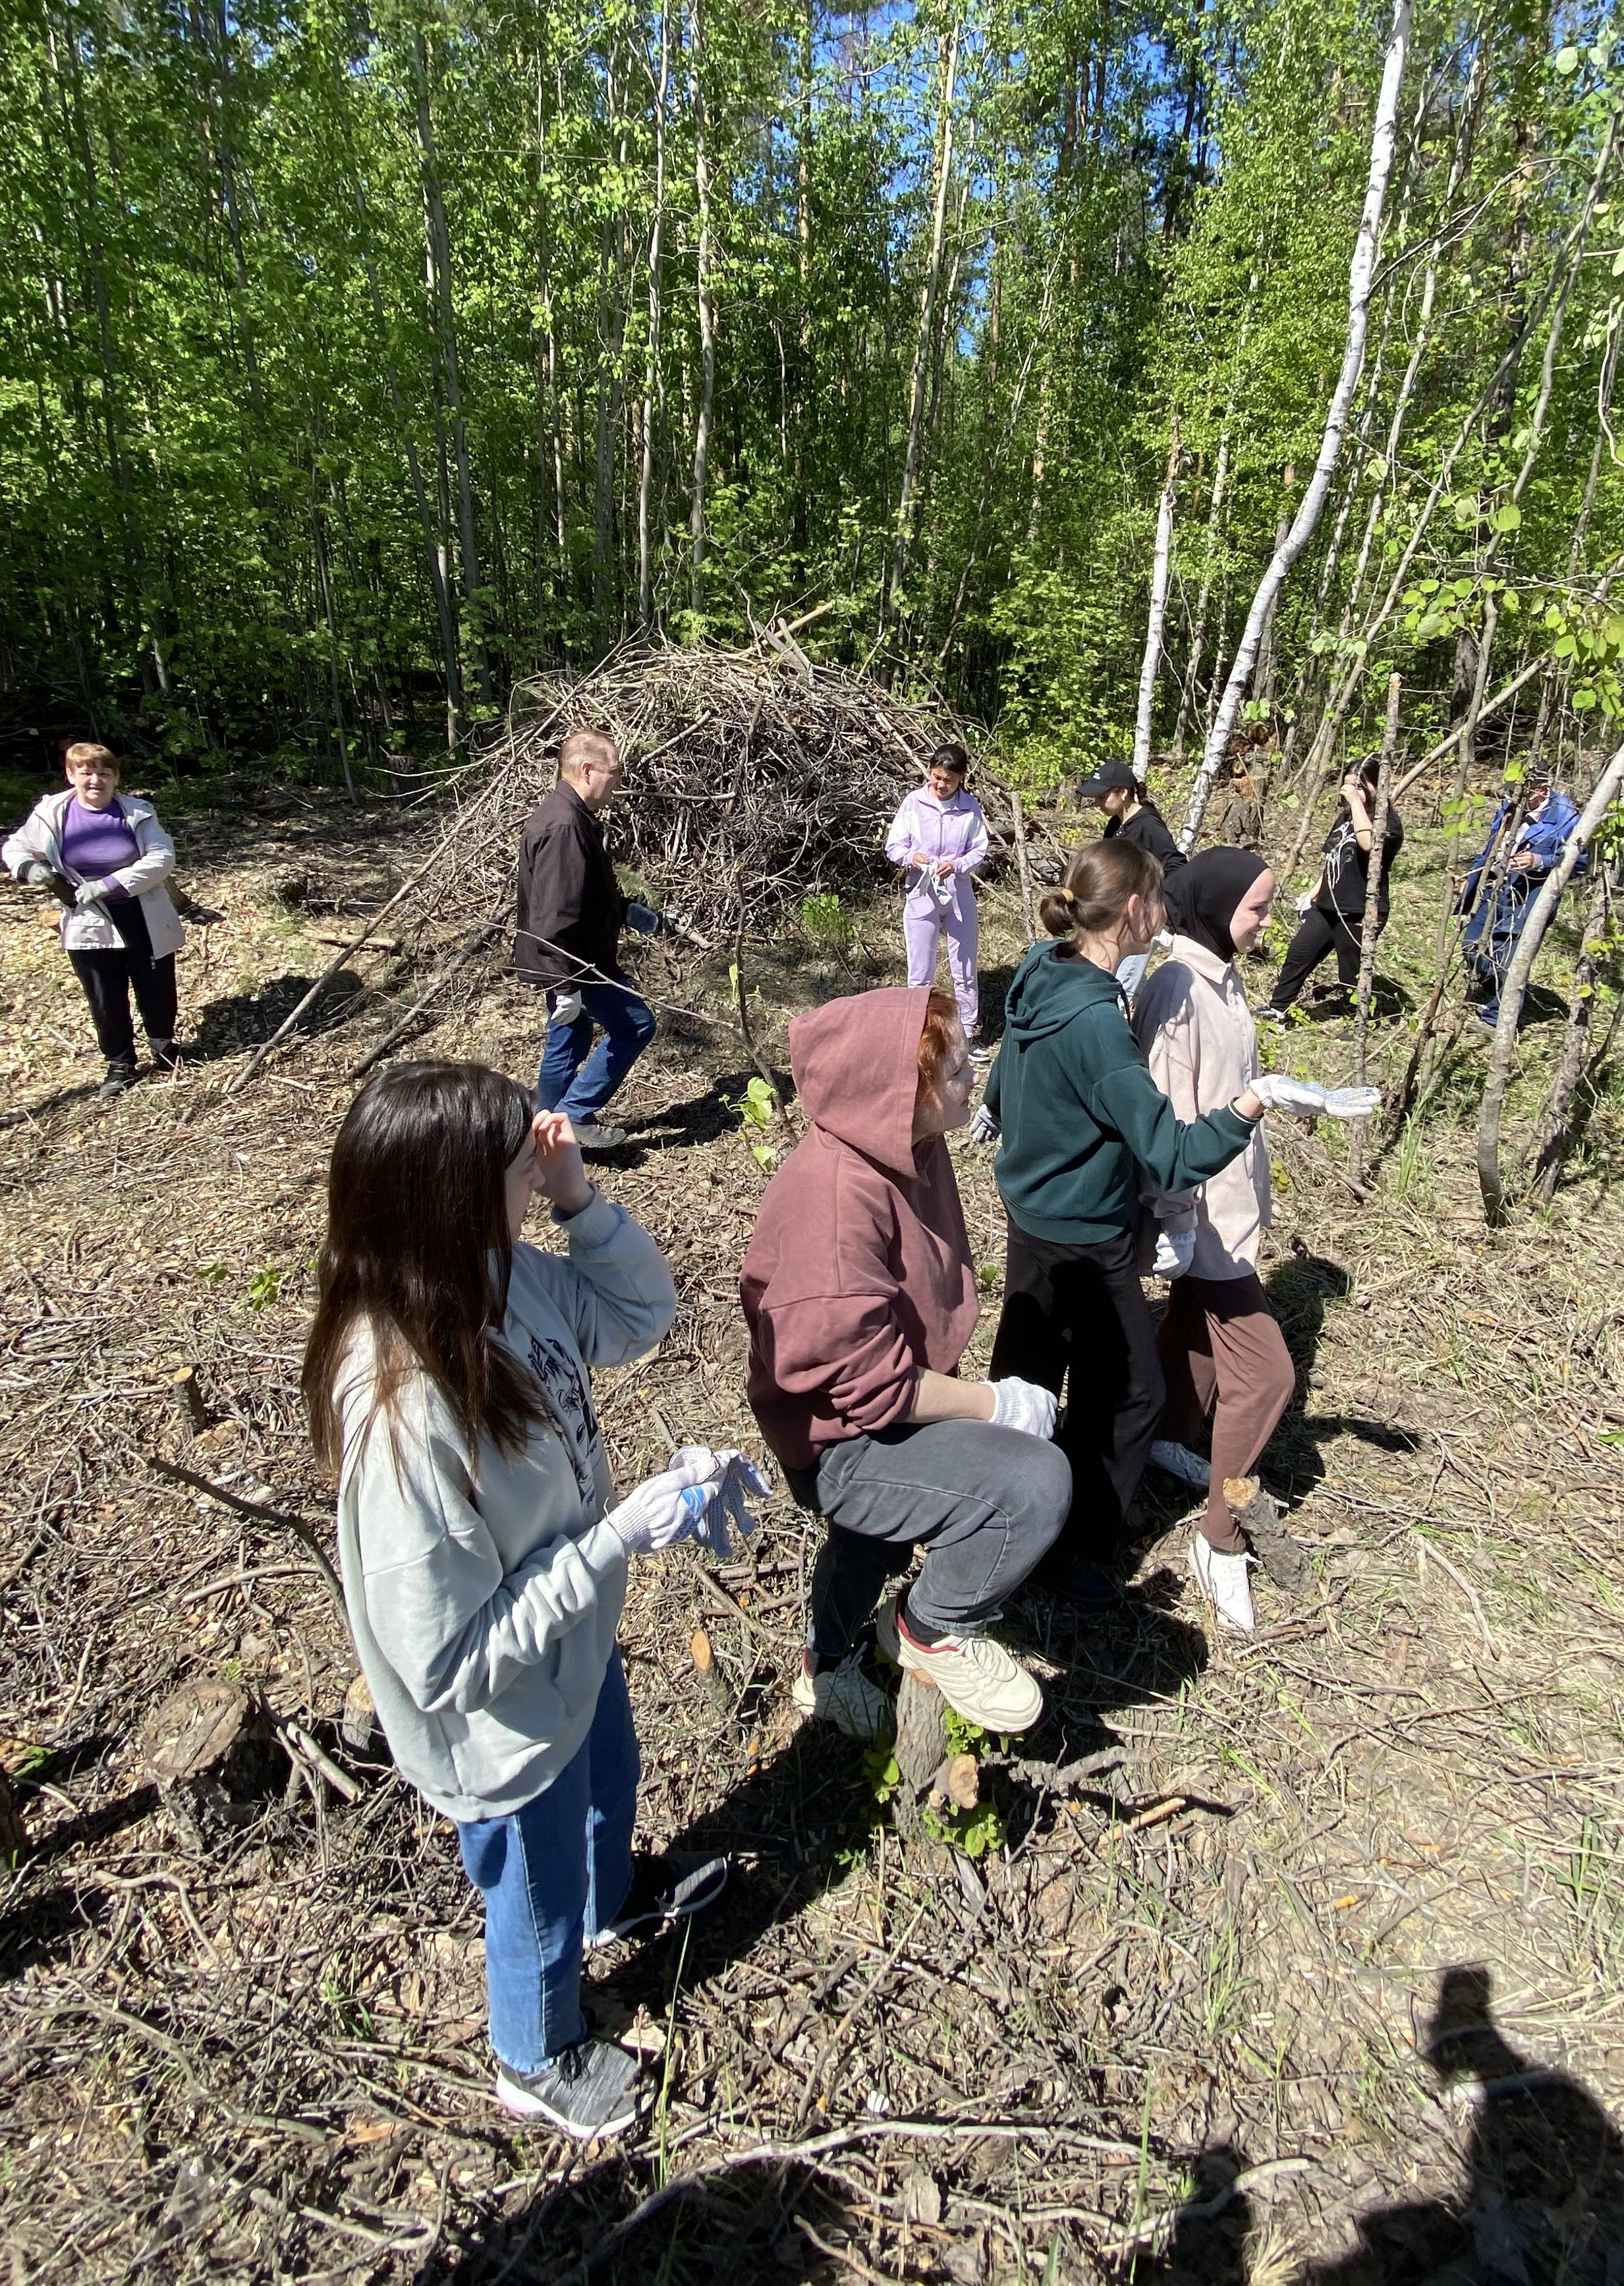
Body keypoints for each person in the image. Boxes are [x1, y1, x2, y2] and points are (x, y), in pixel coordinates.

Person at [303, 1059, 766, 2142]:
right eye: (522, 1162)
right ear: (455, 1193)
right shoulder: (402, 1411)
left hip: (569, 1645)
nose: (543, 1166)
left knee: (611, 1779)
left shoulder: (500, 1276)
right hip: (498, 1723)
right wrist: (613, 1536)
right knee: (533, 1891)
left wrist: (573, 1193)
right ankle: (533, 2050)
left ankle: (614, 1896)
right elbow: (447, 1665)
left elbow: (642, 1313)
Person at [741, 986, 1067, 1736]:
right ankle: (930, 1625)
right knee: (1036, 1482)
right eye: (955, 1070)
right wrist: (995, 1404)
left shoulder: (908, 1147)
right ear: (903, 1092)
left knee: (874, 1537)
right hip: (836, 1442)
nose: (972, 1076)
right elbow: (871, 1384)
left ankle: (825, 1661)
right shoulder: (833, 1200)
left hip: (869, 1408)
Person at [977, 837, 1279, 1607]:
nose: (1169, 915)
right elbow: (1171, 1155)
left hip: (1030, 1209)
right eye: (1160, 902)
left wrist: (1012, 1124)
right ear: (1138, 912)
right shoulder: (1101, 1025)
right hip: (1085, 1228)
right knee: (1130, 1396)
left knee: (1028, 1373)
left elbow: (1007, 1086)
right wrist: (1249, 1106)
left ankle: (994, 1515)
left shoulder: (1044, 969)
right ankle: (1072, 1549)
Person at [1133, 850, 1300, 1636]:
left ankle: (1164, 1436)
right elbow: (1166, 1123)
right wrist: (1173, 1222)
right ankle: (1219, 1538)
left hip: (1228, 1210)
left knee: (1193, 1333)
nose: (1269, 923)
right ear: (1215, 905)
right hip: (1201, 1219)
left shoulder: (1223, 977)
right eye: (1258, 909)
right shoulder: (1176, 990)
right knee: (1266, 1378)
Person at [0, 742, 187, 1102]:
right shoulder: (51, 814)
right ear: (71, 775)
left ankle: (163, 1045)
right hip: (86, 918)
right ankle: (120, 1064)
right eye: (86, 772)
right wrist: (30, 868)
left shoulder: (137, 813)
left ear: (116, 777)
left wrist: (107, 885)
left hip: (139, 910)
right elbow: (15, 847)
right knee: (104, 992)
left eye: (104, 773)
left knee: (155, 981)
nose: (95, 781)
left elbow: (162, 858)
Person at [513, 730, 664, 1153]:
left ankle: (542, 1131)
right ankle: (576, 1116)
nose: (618, 783)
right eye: (615, 773)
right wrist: (565, 986)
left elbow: (580, 895)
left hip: (571, 960)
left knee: (570, 1037)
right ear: (587, 771)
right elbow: (556, 916)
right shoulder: (564, 826)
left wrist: (624, 910)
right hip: (575, 963)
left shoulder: (569, 816)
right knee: (635, 1025)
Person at [1261, 755, 1403, 1021]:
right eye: (1348, 786)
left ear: (1377, 788)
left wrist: (1354, 803)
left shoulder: (1390, 824)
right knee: (1300, 953)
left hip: (1361, 910)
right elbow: (1333, 860)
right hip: (1328, 906)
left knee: (1351, 972)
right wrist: (1313, 893)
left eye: (1360, 787)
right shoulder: (1344, 818)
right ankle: (1277, 1009)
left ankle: (1356, 1019)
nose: (1352, 792)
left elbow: (1368, 844)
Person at [884, 743, 989, 1048]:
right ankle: (920, 1033)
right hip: (921, 894)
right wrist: (911, 857)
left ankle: (966, 1034)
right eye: (936, 777)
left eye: (949, 780)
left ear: (962, 779)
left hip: (959, 894)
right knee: (920, 969)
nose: (941, 785)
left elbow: (979, 849)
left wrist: (957, 864)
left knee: (965, 966)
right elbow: (894, 846)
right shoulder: (914, 803)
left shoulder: (970, 807)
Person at [1459, 766, 1580, 1025]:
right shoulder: (1509, 805)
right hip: (1497, 886)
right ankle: (1493, 986)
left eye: (1521, 795)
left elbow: (1580, 863)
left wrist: (1540, 860)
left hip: (1531, 894)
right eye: (1511, 795)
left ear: (1542, 791)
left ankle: (1497, 1019)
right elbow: (1493, 843)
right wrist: (1475, 876)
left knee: (1511, 958)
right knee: (1472, 945)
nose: (1513, 801)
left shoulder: (1567, 817)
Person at [1078, 762, 1184, 1004]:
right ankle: (1151, 1009)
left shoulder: (1148, 825)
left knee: (1119, 987)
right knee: (1116, 975)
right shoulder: (1117, 823)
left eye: (1102, 796)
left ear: (1123, 793)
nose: (1097, 803)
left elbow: (1176, 864)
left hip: (1140, 919)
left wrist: (1157, 903)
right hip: (1117, 917)